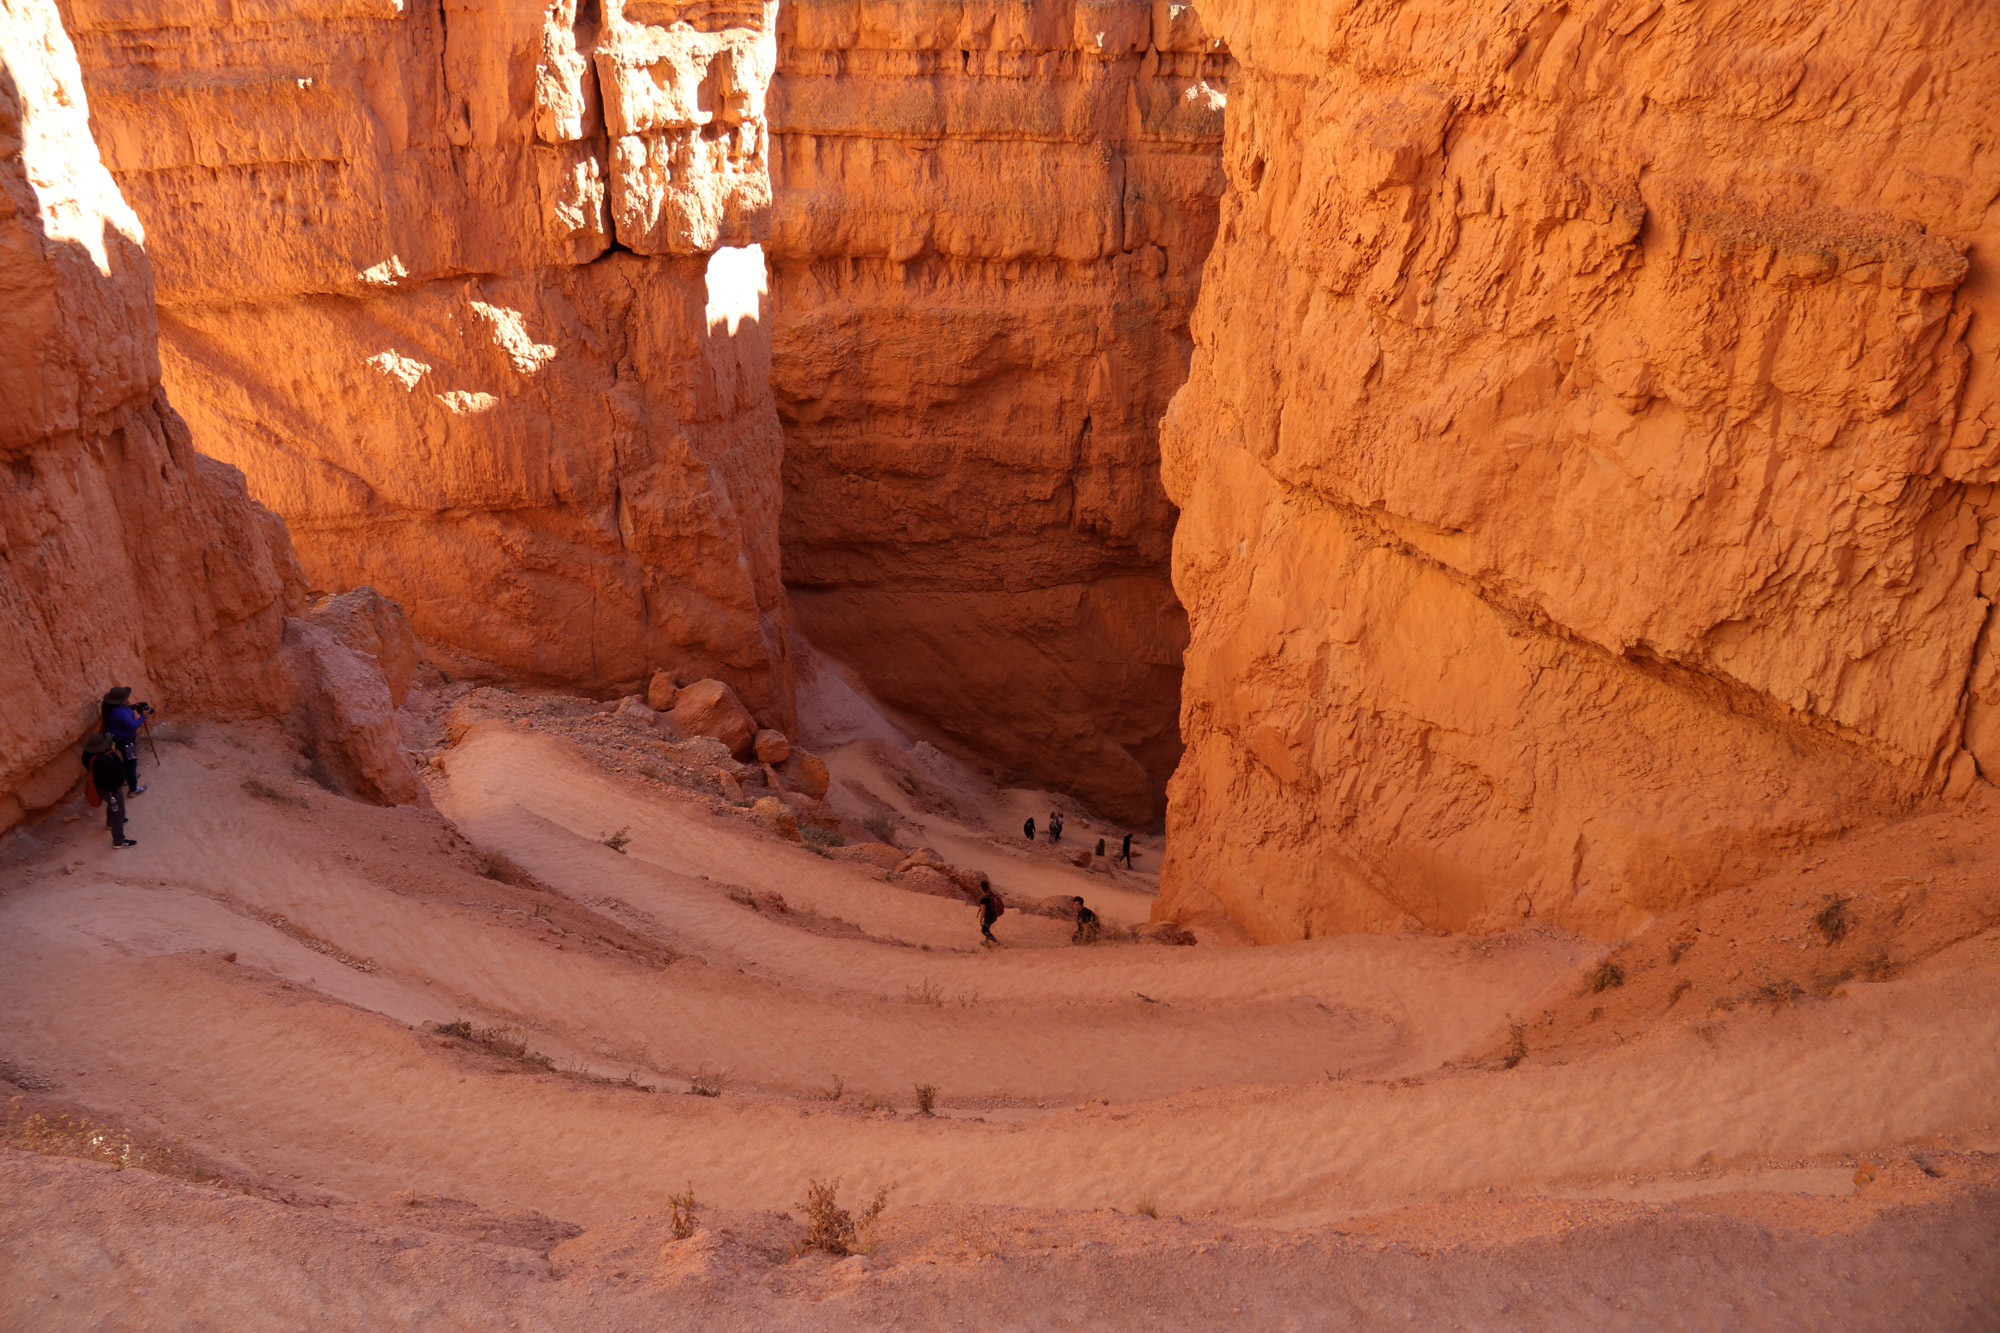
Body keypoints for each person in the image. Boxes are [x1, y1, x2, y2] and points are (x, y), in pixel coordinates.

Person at [82, 734, 137, 848]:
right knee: (119, 812)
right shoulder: (102, 760)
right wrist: (113, 753)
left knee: (112, 805)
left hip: (101, 787)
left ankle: (110, 823)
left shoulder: (86, 755)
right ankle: (118, 841)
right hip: (111, 789)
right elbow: (121, 768)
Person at [100, 686, 149, 796]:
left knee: (127, 761)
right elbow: (132, 726)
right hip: (126, 741)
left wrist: (134, 707)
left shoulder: (109, 706)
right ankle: (133, 789)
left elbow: (124, 710)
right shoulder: (120, 712)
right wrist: (143, 717)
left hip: (117, 739)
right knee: (131, 764)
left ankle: (127, 777)